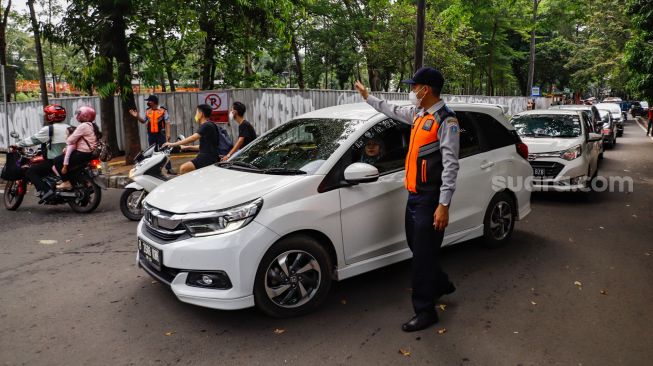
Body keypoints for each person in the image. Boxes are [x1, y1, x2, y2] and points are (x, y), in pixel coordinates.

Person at [355, 67, 460, 332]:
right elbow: (390, 110)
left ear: (426, 89)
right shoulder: (418, 114)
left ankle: (425, 311)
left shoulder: (446, 121)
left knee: (421, 258)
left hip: (430, 198)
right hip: (414, 196)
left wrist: (443, 205)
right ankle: (441, 283)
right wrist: (368, 97)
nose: (412, 91)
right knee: (419, 248)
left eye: (415, 87)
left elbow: (451, 166)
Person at [10, 105, 70, 199]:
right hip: (68, 159)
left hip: (54, 161)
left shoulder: (49, 129)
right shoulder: (70, 127)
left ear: (50, 116)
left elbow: (33, 140)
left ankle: (45, 191)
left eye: (47, 114)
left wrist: (18, 145)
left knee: (30, 171)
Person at [162, 104, 219, 174]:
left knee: (183, 168)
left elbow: (193, 138)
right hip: (209, 157)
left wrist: (172, 144)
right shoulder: (210, 125)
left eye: (197, 112)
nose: (196, 114)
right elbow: (203, 146)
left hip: (206, 158)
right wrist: (186, 147)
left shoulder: (206, 125)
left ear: (201, 114)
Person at [53, 106, 99, 191]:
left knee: (57, 160)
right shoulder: (92, 125)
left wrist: (68, 139)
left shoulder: (83, 126)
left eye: (79, 114)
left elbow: (70, 140)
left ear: (84, 115)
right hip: (91, 153)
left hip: (83, 153)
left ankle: (66, 182)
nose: (77, 116)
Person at [129, 95, 175, 174]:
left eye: (149, 101)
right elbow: (143, 121)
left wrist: (168, 134)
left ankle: (169, 168)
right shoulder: (147, 111)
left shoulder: (163, 110)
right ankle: (154, 169)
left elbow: (167, 122)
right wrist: (137, 116)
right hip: (151, 134)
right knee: (152, 152)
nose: (148, 102)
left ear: (153, 102)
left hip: (161, 134)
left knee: (165, 150)